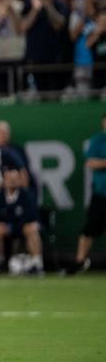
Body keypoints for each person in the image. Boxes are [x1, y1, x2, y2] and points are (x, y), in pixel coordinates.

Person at [0, 168, 43, 275]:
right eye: (9, 179)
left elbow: (30, 217)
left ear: (19, 180)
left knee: (31, 228)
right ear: (4, 181)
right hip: (6, 229)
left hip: (22, 228)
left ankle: (37, 264)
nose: (12, 182)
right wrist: (0, 225)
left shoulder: (27, 195)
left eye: (15, 179)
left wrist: (11, 227)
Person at [75, 113, 106, 273]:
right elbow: (90, 162)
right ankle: (79, 261)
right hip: (101, 193)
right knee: (90, 228)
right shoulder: (98, 140)